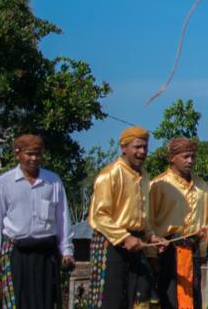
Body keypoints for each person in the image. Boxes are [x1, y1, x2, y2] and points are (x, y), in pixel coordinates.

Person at [0, 134, 75, 309]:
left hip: (47, 256)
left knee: (47, 303)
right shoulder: (3, 184)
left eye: (38, 154)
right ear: (17, 154)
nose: (34, 158)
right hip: (17, 254)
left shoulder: (53, 182)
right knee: (18, 302)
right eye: (29, 154)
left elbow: (63, 219)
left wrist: (67, 251)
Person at [84, 126, 156, 309]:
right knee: (111, 299)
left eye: (145, 147)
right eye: (137, 147)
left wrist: (152, 237)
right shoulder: (110, 174)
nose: (142, 152)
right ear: (124, 148)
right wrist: (125, 237)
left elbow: (143, 215)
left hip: (136, 243)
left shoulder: (145, 176)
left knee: (137, 299)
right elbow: (98, 215)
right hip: (111, 243)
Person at [149, 137, 208, 309]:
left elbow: (206, 220)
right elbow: (150, 222)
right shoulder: (158, 184)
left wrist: (203, 250)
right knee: (170, 300)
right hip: (167, 251)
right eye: (185, 157)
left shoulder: (202, 186)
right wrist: (152, 256)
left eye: (192, 156)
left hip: (193, 252)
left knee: (194, 300)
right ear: (172, 158)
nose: (190, 161)